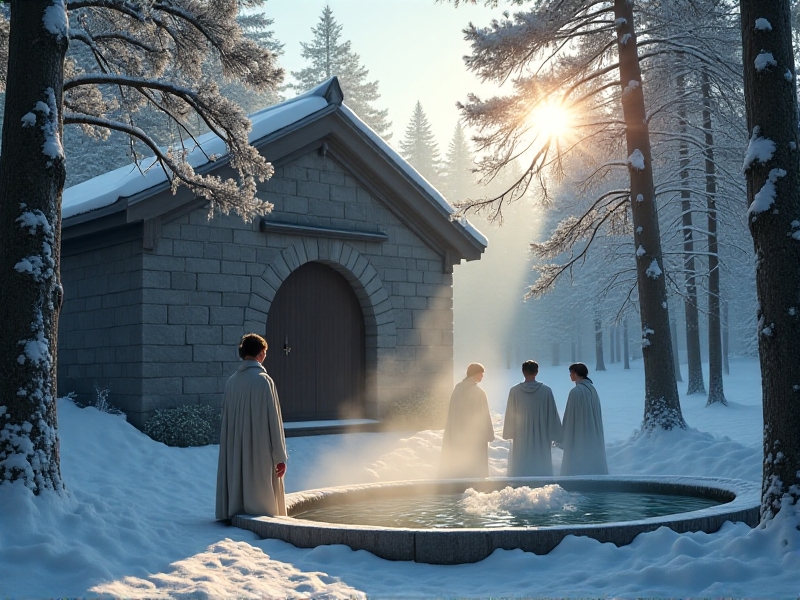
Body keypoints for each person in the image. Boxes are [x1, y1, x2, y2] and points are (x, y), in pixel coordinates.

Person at [216, 333, 288, 520]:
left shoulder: (231, 382)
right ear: (261, 353)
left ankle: (236, 507)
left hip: (235, 446)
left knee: (239, 469)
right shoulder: (264, 381)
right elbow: (274, 421)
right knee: (260, 476)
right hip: (260, 446)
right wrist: (280, 457)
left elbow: (227, 420)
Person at [502, 360, 563, 476]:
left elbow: (510, 414)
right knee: (540, 462)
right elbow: (552, 414)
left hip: (521, 435)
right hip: (541, 435)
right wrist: (556, 434)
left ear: (523, 372)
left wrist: (509, 432)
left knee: (521, 462)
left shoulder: (514, 391)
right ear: (536, 372)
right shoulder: (546, 391)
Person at [439, 362, 495, 478]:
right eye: (481, 374)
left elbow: (452, 412)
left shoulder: (457, 389)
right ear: (475, 374)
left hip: (457, 433)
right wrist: (489, 435)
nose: (482, 377)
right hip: (474, 436)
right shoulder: (479, 393)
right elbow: (484, 416)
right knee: (475, 465)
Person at [560, 362, 608, 476]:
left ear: (576, 373)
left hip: (579, 435)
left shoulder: (576, 392)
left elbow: (570, 417)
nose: (570, 375)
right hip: (592, 434)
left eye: (571, 373)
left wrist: (564, 437)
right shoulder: (592, 389)